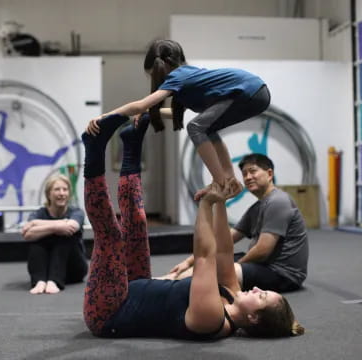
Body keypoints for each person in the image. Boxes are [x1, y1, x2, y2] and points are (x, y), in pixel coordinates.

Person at [82, 113, 304, 339]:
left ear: (253, 318)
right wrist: (220, 201)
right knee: (137, 224)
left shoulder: (211, 319)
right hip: (133, 286)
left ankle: (94, 148)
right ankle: (132, 145)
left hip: (109, 311)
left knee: (111, 237)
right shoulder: (232, 294)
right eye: (263, 290)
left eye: (261, 296)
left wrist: (207, 204)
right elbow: (224, 251)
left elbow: (205, 257)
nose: (256, 288)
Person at [86, 39, 270, 201]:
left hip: (249, 91)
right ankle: (228, 179)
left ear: (163, 65)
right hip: (255, 92)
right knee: (207, 128)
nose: (154, 79)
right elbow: (172, 114)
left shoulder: (178, 76)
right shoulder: (189, 81)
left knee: (196, 127)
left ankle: (220, 182)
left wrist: (106, 116)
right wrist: (149, 115)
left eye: (152, 74)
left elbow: (141, 104)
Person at [159, 154, 309, 293]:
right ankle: (167, 281)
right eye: (244, 174)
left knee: (220, 269)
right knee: (213, 259)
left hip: (283, 274)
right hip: (263, 265)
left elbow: (263, 250)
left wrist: (230, 268)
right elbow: (226, 239)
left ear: (269, 174)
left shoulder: (279, 201)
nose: (248, 177)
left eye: (253, 171)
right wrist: (188, 262)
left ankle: (169, 289)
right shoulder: (257, 207)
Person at [21, 174, 88, 294]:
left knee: (65, 236)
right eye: (57, 189)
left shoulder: (76, 212)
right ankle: (39, 281)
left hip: (73, 269)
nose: (61, 193)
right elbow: (27, 234)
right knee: (37, 240)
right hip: (47, 269)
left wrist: (36, 224)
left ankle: (54, 281)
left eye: (65, 189)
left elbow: (72, 227)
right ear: (49, 194)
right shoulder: (40, 213)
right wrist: (59, 225)